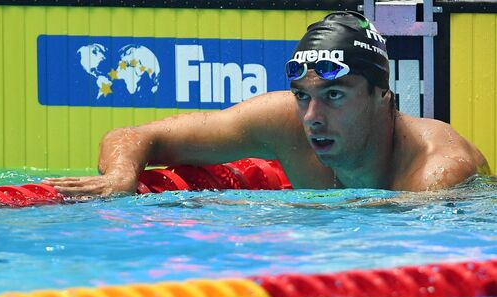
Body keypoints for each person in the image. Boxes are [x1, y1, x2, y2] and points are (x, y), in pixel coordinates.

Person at [42, 11, 490, 196]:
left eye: (333, 96)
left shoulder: (439, 174)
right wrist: (122, 174)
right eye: (302, 98)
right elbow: (135, 136)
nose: (312, 118)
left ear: (383, 98)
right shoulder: (284, 122)